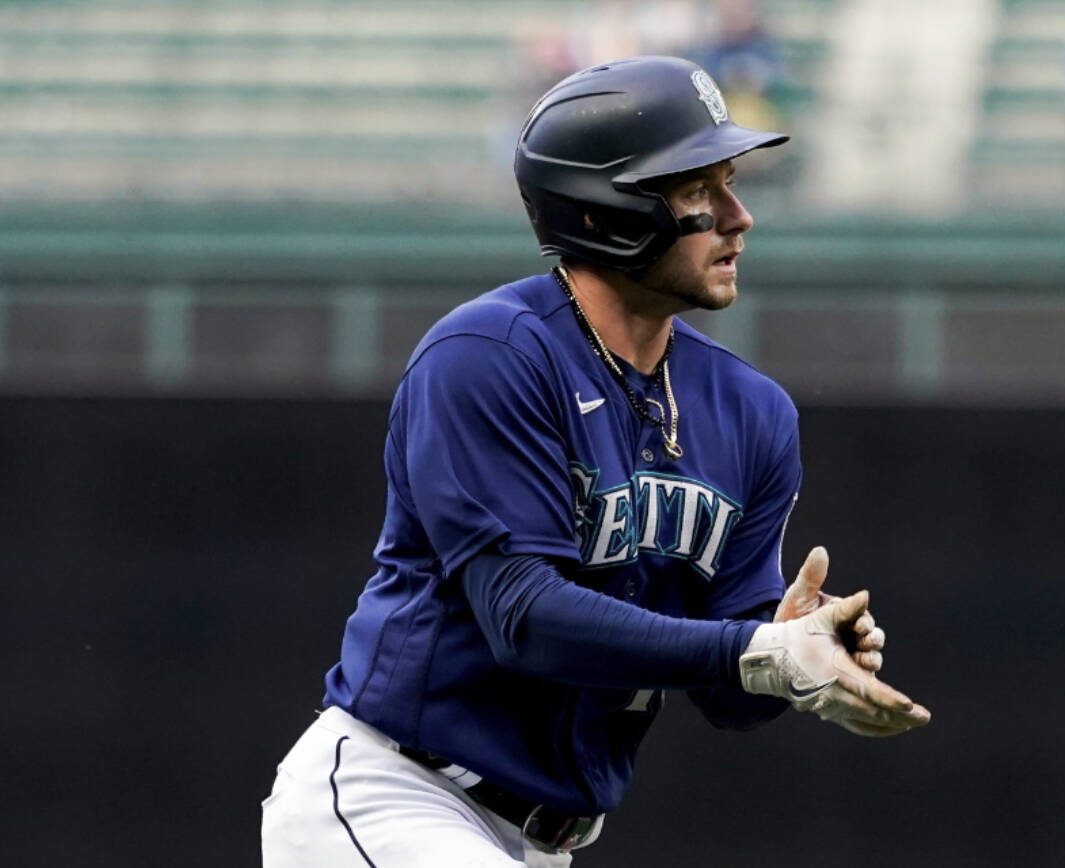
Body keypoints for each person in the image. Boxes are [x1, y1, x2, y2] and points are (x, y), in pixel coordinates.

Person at [260, 55, 931, 868]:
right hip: (395, 795)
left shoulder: (752, 413)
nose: (738, 215)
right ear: (610, 211)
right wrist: (750, 652)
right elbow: (524, 615)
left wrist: (800, 651)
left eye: (731, 182)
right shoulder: (488, 356)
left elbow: (730, 690)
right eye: (699, 189)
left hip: (544, 841)